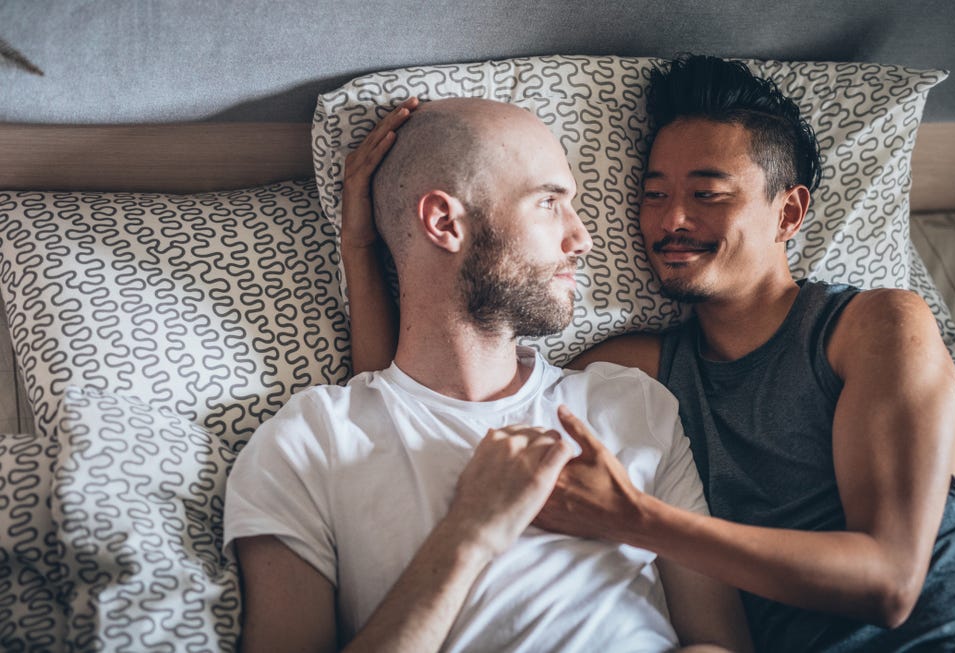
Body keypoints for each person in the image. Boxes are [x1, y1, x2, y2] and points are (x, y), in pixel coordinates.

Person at [341, 57, 955, 651]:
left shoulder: (875, 326)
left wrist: (637, 519)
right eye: (653, 193)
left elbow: (889, 584)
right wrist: (361, 248)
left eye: (707, 194)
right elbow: (414, 407)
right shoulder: (636, 373)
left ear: (789, 212)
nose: (671, 219)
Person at [223, 96, 753, 653]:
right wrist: (470, 533)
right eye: (549, 203)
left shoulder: (633, 405)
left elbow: (721, 643)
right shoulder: (307, 441)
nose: (582, 239)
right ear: (444, 222)